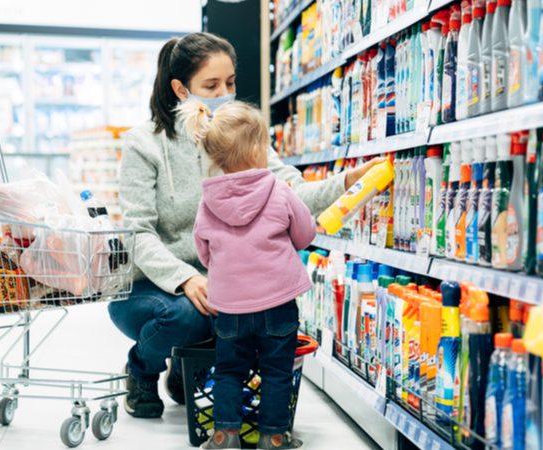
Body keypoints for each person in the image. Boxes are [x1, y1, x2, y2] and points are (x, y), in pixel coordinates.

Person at [111, 31, 382, 419]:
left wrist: (347, 182)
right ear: (180, 88)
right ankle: (141, 369)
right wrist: (186, 278)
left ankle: (189, 371)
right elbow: (137, 233)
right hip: (153, 286)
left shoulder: (238, 133)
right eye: (211, 85)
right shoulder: (145, 143)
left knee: (257, 309)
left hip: (225, 282)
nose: (225, 92)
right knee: (186, 315)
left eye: (231, 83)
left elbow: (291, 190)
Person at [183, 98, 312, 450]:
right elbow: (305, 235)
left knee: (228, 370)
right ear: (258, 150)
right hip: (279, 303)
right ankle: (273, 436)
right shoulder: (280, 191)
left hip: (230, 307)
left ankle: (224, 435)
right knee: (276, 371)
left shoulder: (207, 201)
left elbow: (203, 250)